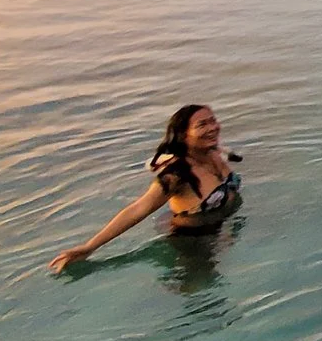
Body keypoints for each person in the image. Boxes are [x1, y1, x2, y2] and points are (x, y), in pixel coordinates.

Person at [50, 104, 243, 273]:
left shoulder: (213, 153)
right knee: (200, 288)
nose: (213, 128)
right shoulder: (177, 176)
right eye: (202, 125)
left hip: (223, 222)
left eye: (213, 121)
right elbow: (139, 208)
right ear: (184, 135)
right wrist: (90, 246)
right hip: (192, 240)